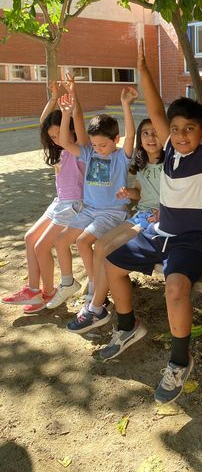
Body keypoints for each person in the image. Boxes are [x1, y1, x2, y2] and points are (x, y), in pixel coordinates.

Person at [100, 41, 202, 406]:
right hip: (160, 234)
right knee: (111, 263)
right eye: (175, 129)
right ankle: (128, 327)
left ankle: (179, 361)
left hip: (196, 240)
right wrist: (143, 69)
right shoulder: (171, 153)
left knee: (175, 288)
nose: (180, 134)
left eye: (189, 129)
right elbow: (155, 109)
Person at [67, 118, 164, 333]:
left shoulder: (170, 165)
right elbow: (139, 193)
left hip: (156, 220)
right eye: (146, 133)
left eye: (155, 132)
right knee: (101, 245)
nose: (150, 137)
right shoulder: (141, 165)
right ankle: (97, 302)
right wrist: (129, 192)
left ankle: (96, 308)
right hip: (140, 215)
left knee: (107, 249)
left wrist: (164, 213)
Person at [2, 78, 87, 312]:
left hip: (74, 205)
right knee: (30, 238)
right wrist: (53, 97)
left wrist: (72, 96)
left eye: (60, 134)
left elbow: (78, 119)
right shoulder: (59, 150)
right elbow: (44, 122)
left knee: (41, 246)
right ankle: (33, 290)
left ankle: (47, 291)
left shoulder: (79, 149)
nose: (56, 140)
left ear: (70, 130)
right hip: (60, 202)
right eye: (52, 137)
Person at [50, 87, 137, 312]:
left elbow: (131, 135)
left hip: (112, 212)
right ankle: (70, 283)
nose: (98, 149)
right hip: (90, 210)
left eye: (103, 145)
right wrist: (66, 113)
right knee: (61, 240)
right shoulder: (90, 153)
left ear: (116, 139)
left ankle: (95, 289)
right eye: (95, 144)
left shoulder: (121, 157)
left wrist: (125, 105)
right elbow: (64, 142)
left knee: (82, 242)